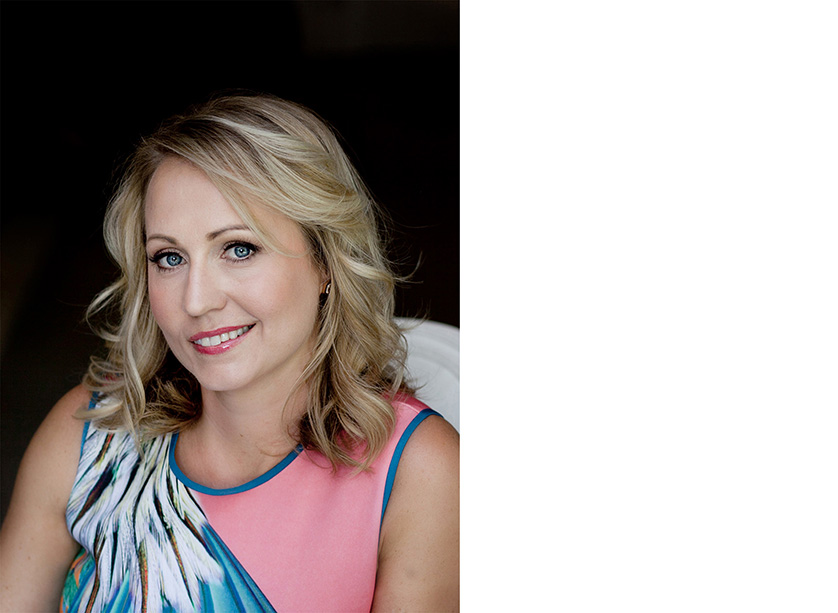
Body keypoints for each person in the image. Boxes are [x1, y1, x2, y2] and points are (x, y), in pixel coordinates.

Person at [0, 94, 459, 612]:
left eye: (239, 249)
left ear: (327, 261)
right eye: (169, 258)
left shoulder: (419, 470)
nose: (196, 300)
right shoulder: (92, 431)